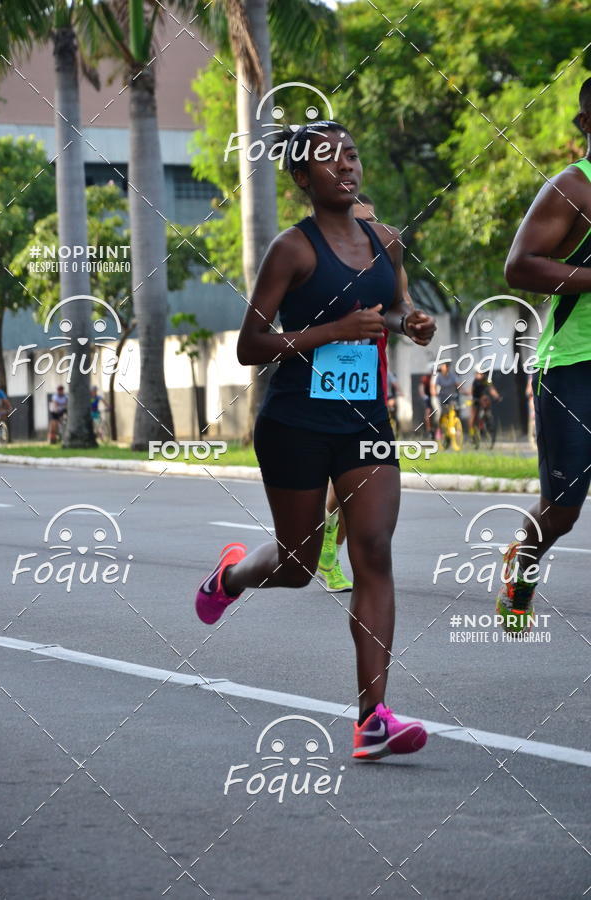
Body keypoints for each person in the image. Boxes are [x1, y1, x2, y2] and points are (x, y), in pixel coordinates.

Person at [195, 121, 437, 759]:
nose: (346, 167)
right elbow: (250, 345)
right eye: (330, 160)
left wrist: (409, 322)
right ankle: (231, 576)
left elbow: (392, 306)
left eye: (351, 155)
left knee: (373, 551)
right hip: (295, 424)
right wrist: (330, 332)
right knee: (298, 567)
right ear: (303, 177)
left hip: (365, 421)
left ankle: (373, 719)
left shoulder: (386, 242)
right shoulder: (291, 250)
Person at [500, 77, 591, 632]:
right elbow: (519, 267)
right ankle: (523, 565)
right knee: (562, 511)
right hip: (575, 365)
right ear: (586, 123)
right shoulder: (574, 187)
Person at [317, 193, 384, 593]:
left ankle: (328, 549)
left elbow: (400, 304)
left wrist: (413, 319)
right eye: (360, 222)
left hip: (372, 373)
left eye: (372, 222)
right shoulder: (322, 265)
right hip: (331, 374)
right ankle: (326, 549)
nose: (367, 230)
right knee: (348, 477)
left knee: (362, 475)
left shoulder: (383, 261)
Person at [469, 369, 501, 436]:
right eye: (477, 373)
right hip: (476, 398)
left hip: (483, 399)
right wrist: (471, 399)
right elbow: (471, 392)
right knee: (473, 416)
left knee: (486, 401)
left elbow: (491, 389)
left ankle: (486, 420)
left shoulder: (486, 380)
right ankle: (472, 432)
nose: (478, 375)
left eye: (480, 373)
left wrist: (497, 396)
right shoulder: (475, 381)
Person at [418, 364, 435, 440]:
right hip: (428, 397)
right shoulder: (426, 378)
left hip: (436, 396)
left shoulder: (438, 377)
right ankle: (429, 430)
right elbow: (421, 388)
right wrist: (424, 395)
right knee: (428, 411)